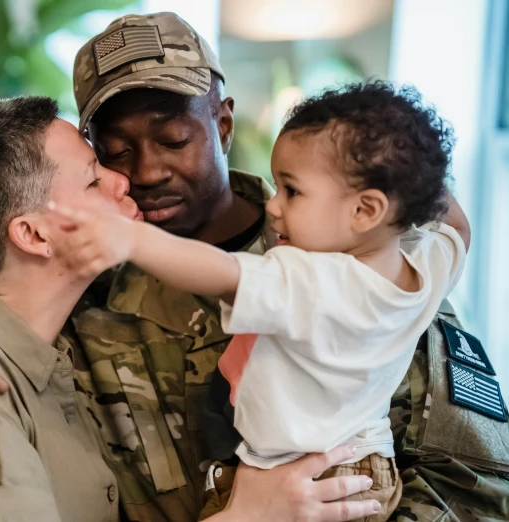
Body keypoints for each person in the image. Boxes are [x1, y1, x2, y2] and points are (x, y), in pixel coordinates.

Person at [0, 12, 509, 522]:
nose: (147, 170)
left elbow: (476, 478)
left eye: (172, 137)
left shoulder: (355, 262)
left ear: (221, 122)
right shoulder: (87, 254)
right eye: (113, 151)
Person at [47, 81, 471, 522]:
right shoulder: (425, 269)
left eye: (291, 190)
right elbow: (458, 229)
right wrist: (408, 176)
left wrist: (132, 239)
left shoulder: (315, 283)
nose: (274, 205)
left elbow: (223, 271)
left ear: (365, 210)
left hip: (312, 480)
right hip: (361, 468)